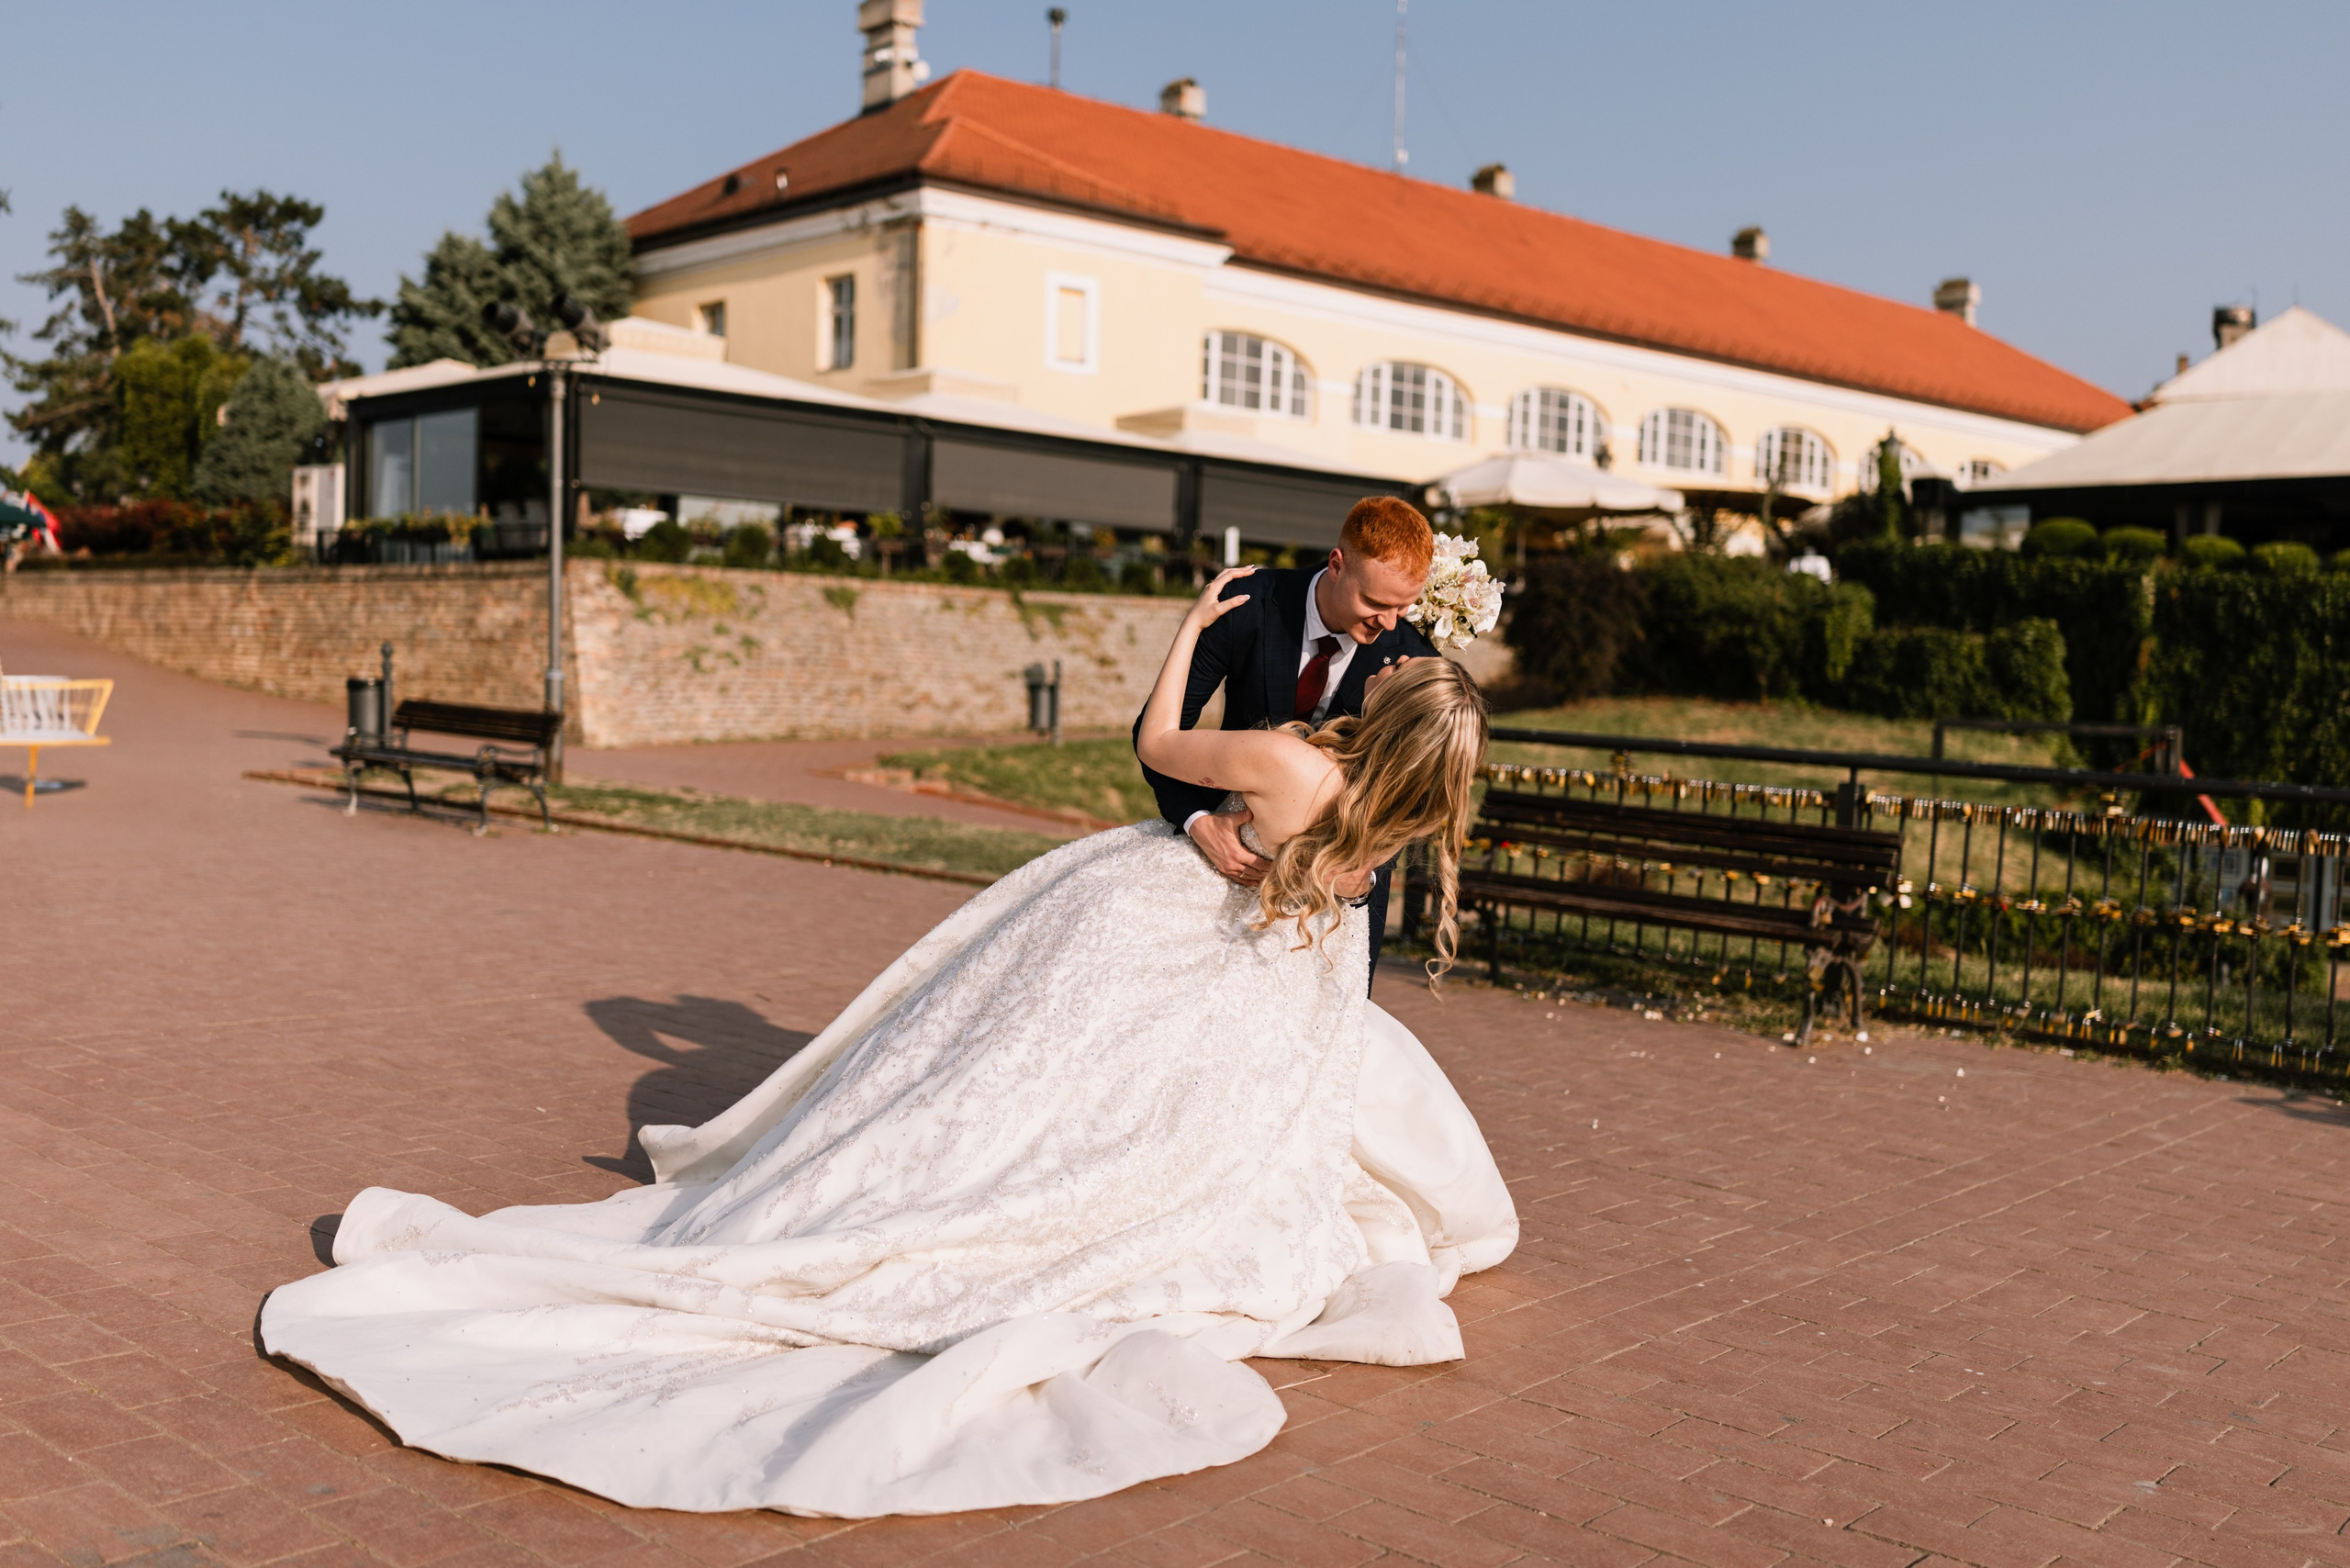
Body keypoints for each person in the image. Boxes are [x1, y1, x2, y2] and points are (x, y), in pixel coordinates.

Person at [259, 567, 1516, 1519]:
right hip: (1251, 1000)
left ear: (1391, 718)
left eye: (1401, 677)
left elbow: (1154, 750)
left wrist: (1194, 627)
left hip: (1146, 930)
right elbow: (1321, 899)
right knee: (1137, 1118)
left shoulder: (1293, 764)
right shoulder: (1389, 822)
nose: (1390, 665)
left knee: (1008, 1075)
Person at [1136, 496, 1441, 992]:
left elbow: (1408, 793)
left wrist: (1358, 877)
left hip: (1337, 900)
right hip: (1223, 864)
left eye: (1403, 606)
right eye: (1375, 603)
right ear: (1337, 564)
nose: (1389, 623)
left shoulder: (1409, 661)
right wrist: (1197, 822)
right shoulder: (1247, 605)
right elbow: (1158, 731)